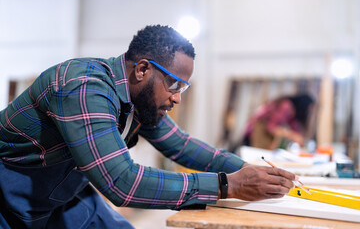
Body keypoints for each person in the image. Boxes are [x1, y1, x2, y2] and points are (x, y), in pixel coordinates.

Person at [0, 25, 297, 229]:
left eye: (184, 87)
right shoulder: (83, 87)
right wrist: (227, 185)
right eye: (174, 84)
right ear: (142, 69)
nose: (177, 97)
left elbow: (183, 146)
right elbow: (121, 183)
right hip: (6, 199)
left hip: (60, 196)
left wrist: (253, 173)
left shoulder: (137, 102)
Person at [242, 94, 315, 150]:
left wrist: (297, 137)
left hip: (260, 133)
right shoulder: (287, 106)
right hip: (255, 132)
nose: (309, 112)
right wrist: (293, 135)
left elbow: (295, 130)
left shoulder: (293, 114)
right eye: (309, 109)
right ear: (304, 105)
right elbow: (271, 127)